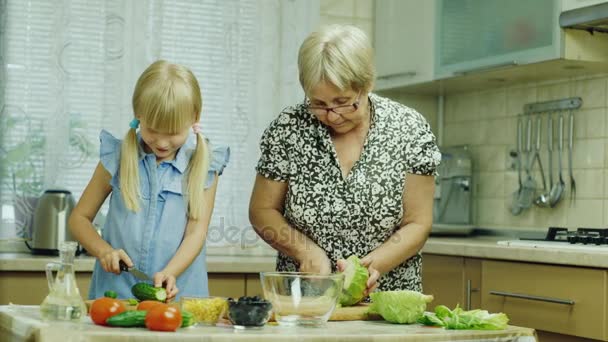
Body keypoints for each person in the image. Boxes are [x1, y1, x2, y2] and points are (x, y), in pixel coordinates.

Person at [249, 25, 441, 296]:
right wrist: (305, 252)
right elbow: (262, 211)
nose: (332, 115)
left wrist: (370, 268)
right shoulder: (288, 127)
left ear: (367, 85)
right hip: (304, 297)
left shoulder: (408, 128)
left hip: (387, 300)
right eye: (318, 104)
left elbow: (418, 223)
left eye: (343, 102)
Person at [69, 60, 230, 301]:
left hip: (180, 294)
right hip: (116, 294)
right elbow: (79, 219)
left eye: (173, 132)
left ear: (194, 117)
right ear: (138, 115)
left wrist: (170, 272)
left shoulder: (204, 165)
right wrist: (104, 251)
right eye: (153, 130)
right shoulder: (117, 157)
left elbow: (196, 233)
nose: (162, 143)